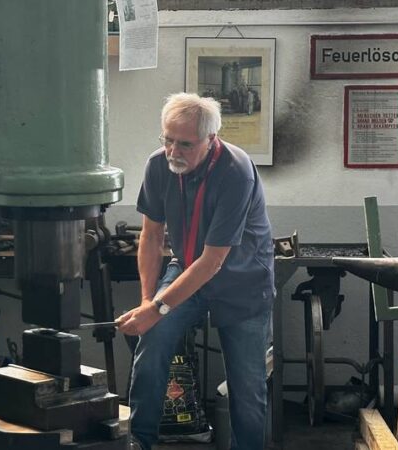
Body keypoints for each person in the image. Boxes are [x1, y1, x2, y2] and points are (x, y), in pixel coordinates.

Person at [117, 93, 274, 450]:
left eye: (185, 144)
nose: (173, 152)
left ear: (210, 139)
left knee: (246, 385)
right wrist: (146, 302)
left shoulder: (236, 171)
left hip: (242, 280)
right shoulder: (158, 166)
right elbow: (152, 235)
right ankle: (139, 443)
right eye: (168, 140)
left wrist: (157, 309)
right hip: (186, 268)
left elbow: (213, 260)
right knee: (152, 342)